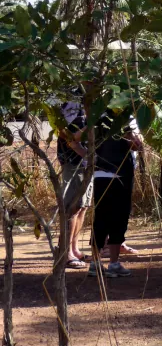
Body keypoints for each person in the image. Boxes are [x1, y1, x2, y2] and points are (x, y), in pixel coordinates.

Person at [88, 111, 142, 279]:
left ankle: (95, 263)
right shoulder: (125, 119)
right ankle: (113, 264)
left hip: (99, 174)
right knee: (118, 218)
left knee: (101, 218)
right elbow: (134, 144)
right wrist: (139, 142)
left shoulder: (96, 117)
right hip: (119, 174)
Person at [57, 90, 92, 270]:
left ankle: (74, 248)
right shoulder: (71, 103)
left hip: (86, 161)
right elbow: (70, 138)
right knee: (72, 206)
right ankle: (65, 253)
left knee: (82, 206)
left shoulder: (90, 104)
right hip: (74, 160)